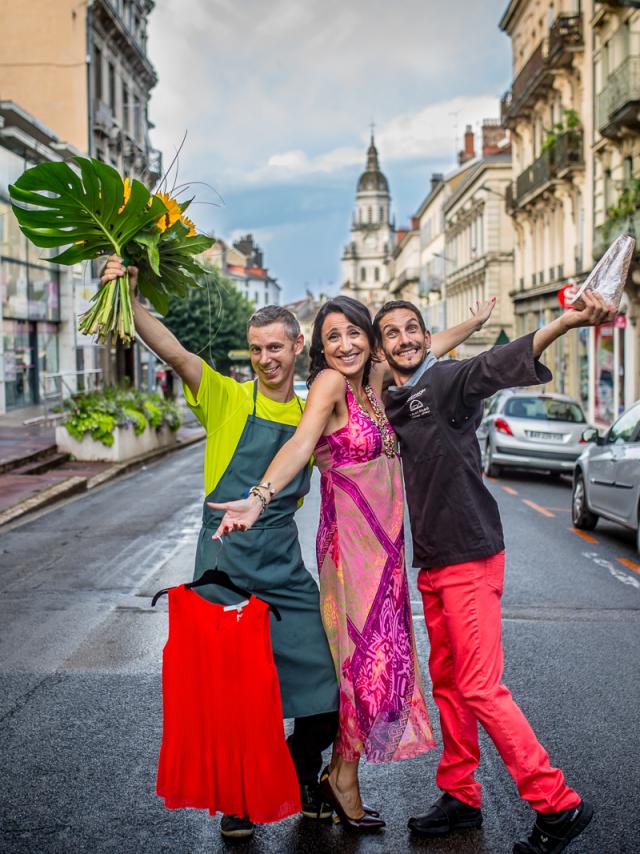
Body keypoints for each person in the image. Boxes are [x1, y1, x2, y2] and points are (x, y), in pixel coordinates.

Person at [209, 295, 496, 832]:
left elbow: (427, 349)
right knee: (360, 669)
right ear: (320, 348)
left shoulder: (375, 381)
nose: (345, 345)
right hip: (350, 557)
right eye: (332, 337)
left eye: (354, 335)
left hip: (387, 555)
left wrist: (475, 322)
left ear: (370, 338)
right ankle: (341, 779)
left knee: (376, 669)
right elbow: (300, 442)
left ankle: (341, 773)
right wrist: (259, 495)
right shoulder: (331, 385)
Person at [100, 256, 339, 840]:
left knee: (325, 693)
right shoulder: (225, 398)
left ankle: (298, 774)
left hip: (283, 569)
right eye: (256, 349)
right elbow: (175, 352)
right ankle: (238, 800)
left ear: (296, 345)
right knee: (234, 698)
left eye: (276, 348)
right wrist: (129, 298)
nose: (266, 359)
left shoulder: (314, 410)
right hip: (223, 571)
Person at [373, 293, 612, 854]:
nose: (405, 338)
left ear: (427, 338)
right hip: (432, 561)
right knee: (450, 685)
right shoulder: (396, 398)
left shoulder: (448, 382)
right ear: (383, 348)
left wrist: (567, 320)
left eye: (414, 329)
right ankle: (461, 793)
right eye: (393, 333)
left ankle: (558, 804)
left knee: (480, 686)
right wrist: (466, 323)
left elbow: (493, 363)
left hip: (469, 555)